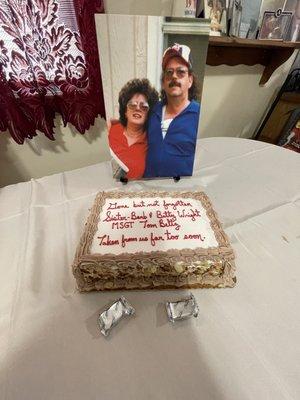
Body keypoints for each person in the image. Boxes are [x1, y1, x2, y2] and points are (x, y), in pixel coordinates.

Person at [144, 43, 200, 178]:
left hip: (182, 193)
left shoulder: (199, 116)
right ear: (163, 83)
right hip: (148, 190)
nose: (174, 76)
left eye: (181, 72)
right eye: (169, 72)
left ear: (190, 80)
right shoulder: (150, 111)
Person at [108, 79, 158, 179]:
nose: (138, 108)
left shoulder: (152, 143)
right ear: (125, 111)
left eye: (144, 107)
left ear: (148, 114)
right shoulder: (110, 129)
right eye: (132, 105)